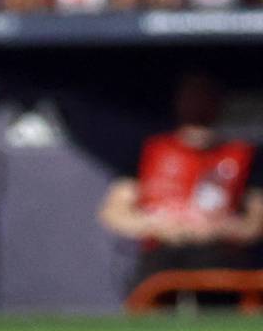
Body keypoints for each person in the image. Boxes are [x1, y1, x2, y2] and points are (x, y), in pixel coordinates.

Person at [98, 74, 263, 291]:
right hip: (161, 254)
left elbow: (255, 221)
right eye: (192, 96)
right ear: (178, 100)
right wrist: (160, 225)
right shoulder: (149, 150)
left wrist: (218, 228)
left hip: (218, 257)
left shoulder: (242, 155)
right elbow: (114, 212)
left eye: (206, 96)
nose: (199, 104)